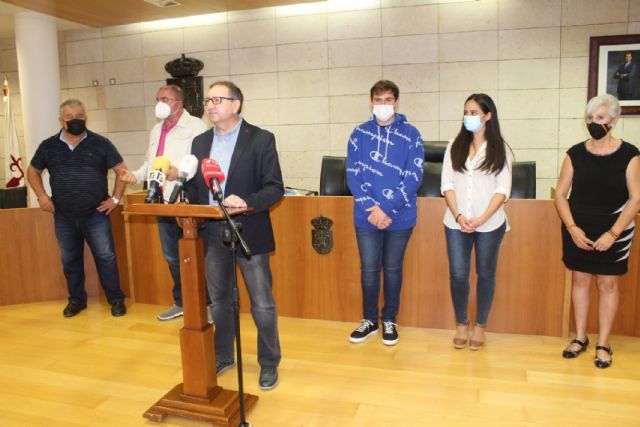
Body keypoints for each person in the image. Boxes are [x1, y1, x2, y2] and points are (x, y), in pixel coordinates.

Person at [185, 81, 283, 390]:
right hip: (211, 231)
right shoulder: (200, 142)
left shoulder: (261, 139)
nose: (210, 105)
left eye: (217, 100)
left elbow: (274, 188)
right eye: (208, 101)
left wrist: (247, 202)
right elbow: (194, 187)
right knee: (220, 301)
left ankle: (269, 362)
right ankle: (224, 355)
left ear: (236, 104)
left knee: (262, 303)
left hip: (248, 230)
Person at [555, 94, 640, 369]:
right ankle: (580, 338)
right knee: (580, 280)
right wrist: (572, 228)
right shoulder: (575, 154)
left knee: (607, 284)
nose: (594, 122)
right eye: (590, 118)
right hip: (578, 228)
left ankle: (603, 344)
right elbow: (560, 194)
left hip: (615, 229)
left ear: (614, 120)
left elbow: (636, 198)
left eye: (600, 117)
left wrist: (612, 234)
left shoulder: (630, 154)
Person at [27, 99, 128, 318]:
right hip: (63, 215)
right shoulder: (48, 146)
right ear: (61, 120)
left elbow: (122, 170)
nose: (75, 120)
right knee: (70, 260)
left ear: (86, 118)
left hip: (96, 214)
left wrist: (115, 199)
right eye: (70, 117)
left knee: (106, 257)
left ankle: (116, 300)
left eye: (80, 116)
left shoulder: (101, 143)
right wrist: (42, 196)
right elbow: (32, 171)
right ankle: (76, 301)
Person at [346, 80, 424, 346]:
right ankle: (369, 320)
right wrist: (373, 208)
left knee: (392, 269)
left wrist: (386, 209)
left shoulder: (411, 134)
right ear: (371, 102)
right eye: (378, 100)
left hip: (400, 216)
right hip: (366, 216)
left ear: (396, 102)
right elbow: (352, 175)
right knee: (369, 269)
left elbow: (414, 177)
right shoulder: (358, 134)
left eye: (388, 100)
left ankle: (389, 319)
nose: (383, 105)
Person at [120, 84, 207, 321]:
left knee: (195, 255)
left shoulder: (196, 127)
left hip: (186, 201)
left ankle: (206, 304)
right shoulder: (156, 130)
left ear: (179, 103)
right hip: (161, 201)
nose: (159, 103)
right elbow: (151, 163)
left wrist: (179, 174)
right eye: (157, 99)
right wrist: (135, 176)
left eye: (165, 99)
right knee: (172, 256)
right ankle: (182, 302)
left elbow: (201, 164)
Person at [440, 93, 512, 351]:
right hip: (456, 222)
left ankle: (480, 325)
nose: (468, 117)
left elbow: (503, 190)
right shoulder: (454, 146)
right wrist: (459, 216)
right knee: (458, 274)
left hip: (489, 224)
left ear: (487, 116)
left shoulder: (500, 148)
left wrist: (481, 218)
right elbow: (447, 184)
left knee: (486, 273)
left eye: (473, 113)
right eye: (466, 112)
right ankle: (461, 323)